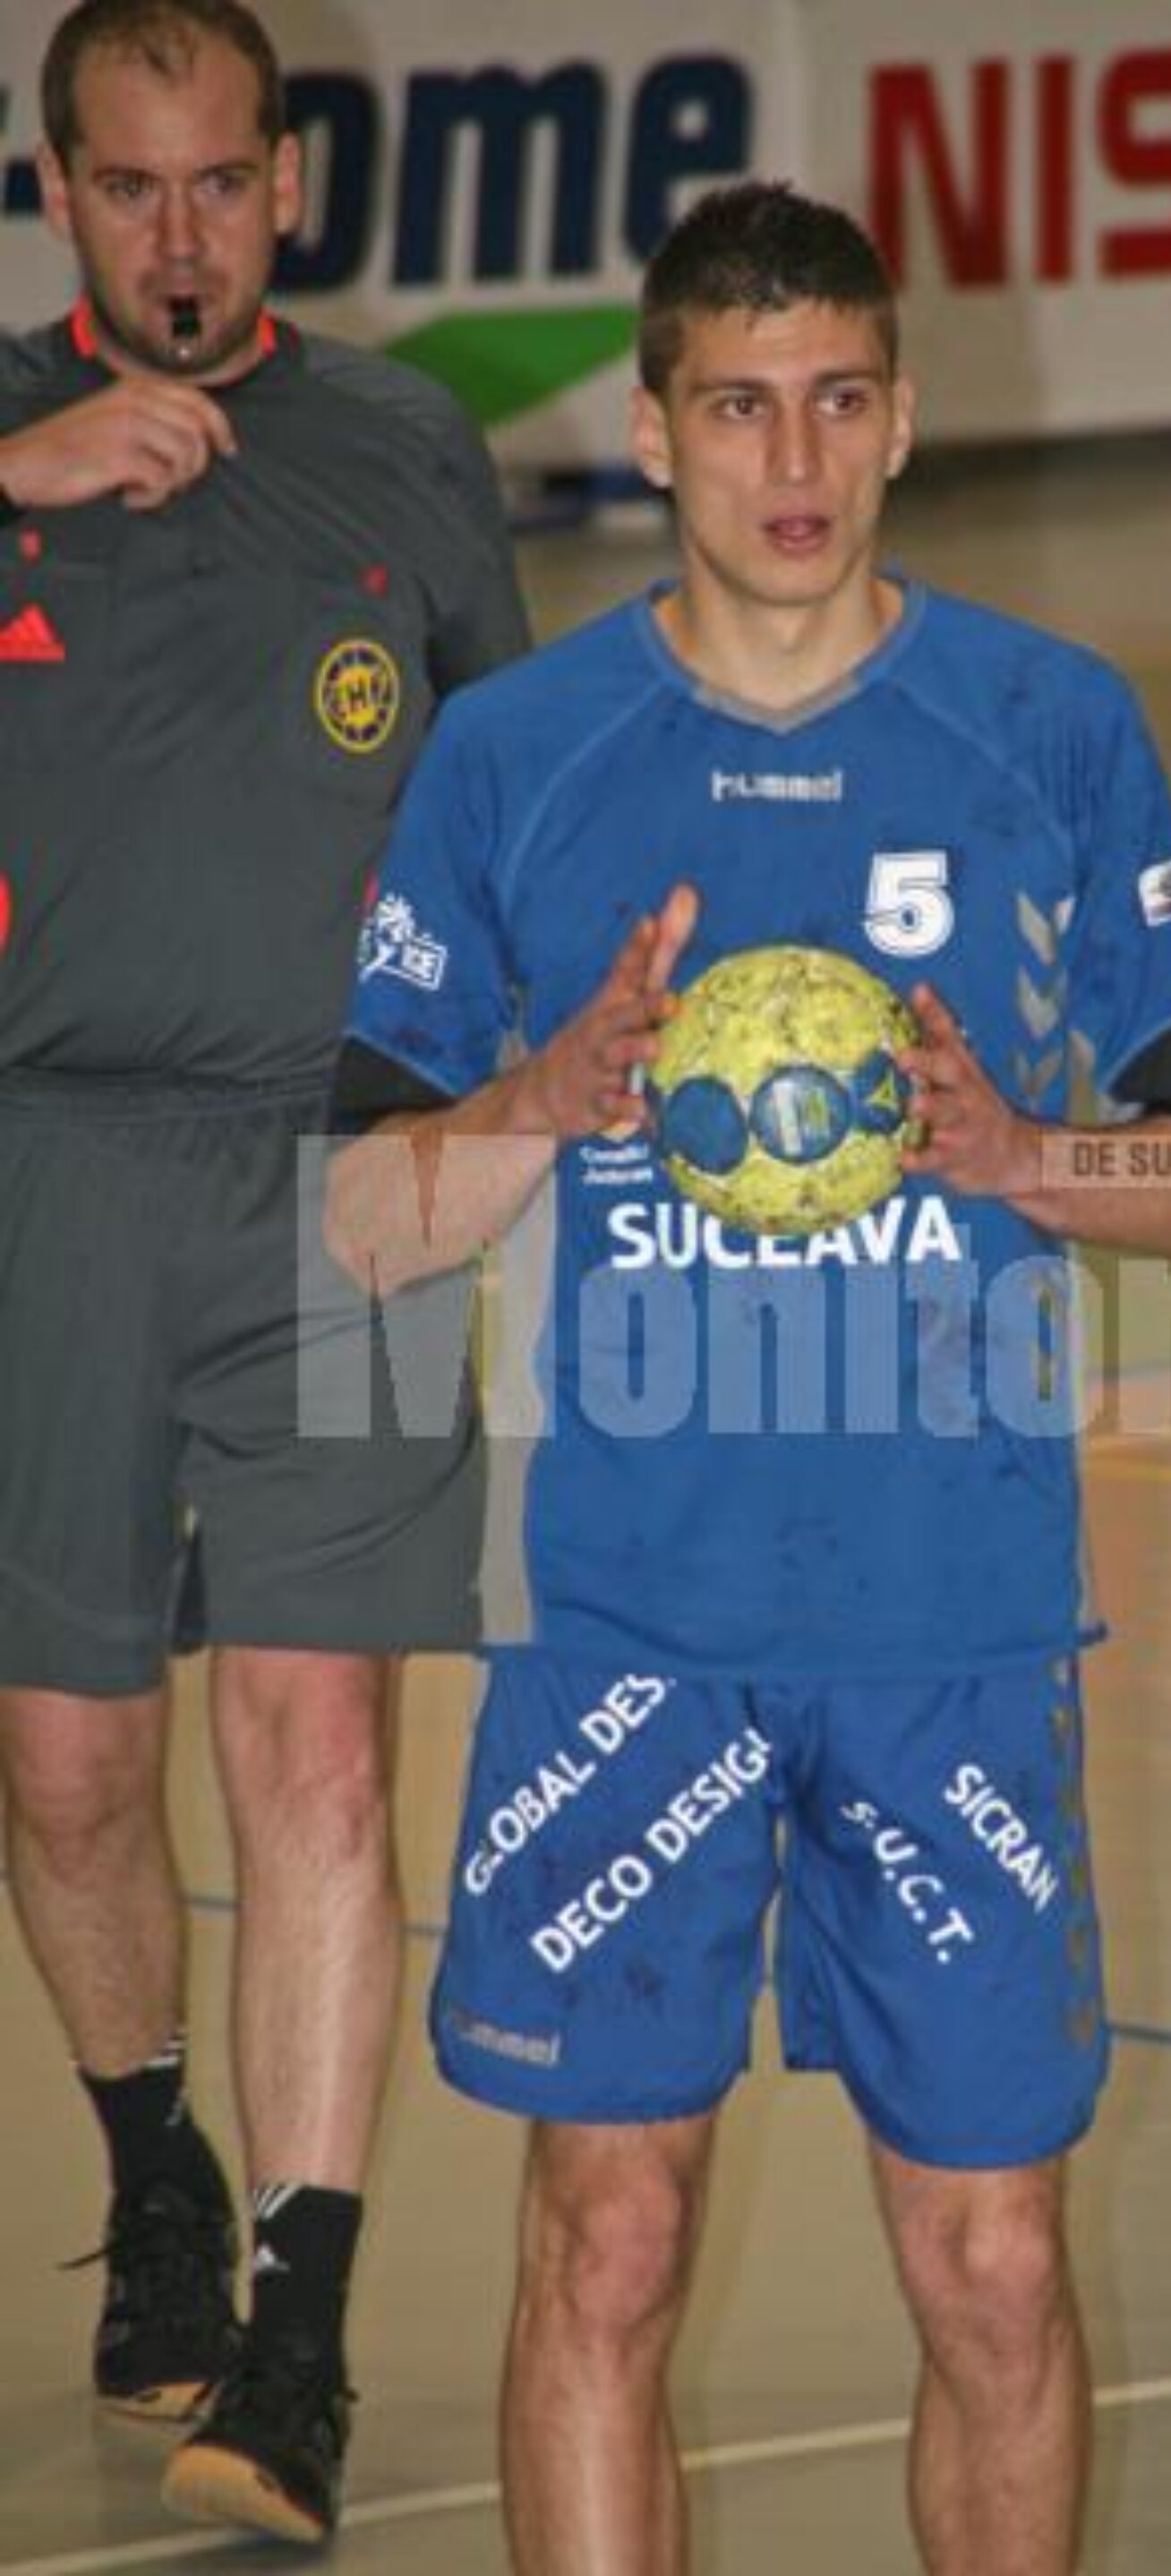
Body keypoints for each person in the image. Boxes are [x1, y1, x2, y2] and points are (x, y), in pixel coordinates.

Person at [325, 181, 1171, 2574]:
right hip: (626, 1629)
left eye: (840, 400)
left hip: (955, 1626)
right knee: (608, 2245)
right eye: (740, 406)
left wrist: (1019, 1150)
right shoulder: (518, 755)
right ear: (653, 430)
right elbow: (358, 1227)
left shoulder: (1051, 728)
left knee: (994, 2266)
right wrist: (541, 1099)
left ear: (905, 419)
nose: (795, 457)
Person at [0, 0, 527, 2546]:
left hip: (345, 1182)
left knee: (316, 1747)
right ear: (55, 194)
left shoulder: (407, 447)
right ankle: (158, 2178)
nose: (182, 237)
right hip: (48, 1178)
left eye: (222, 182)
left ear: (291, 186)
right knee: (68, 1768)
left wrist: (525, 1107)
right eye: (131, 188)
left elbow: (518, 801)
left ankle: (298, 2333)